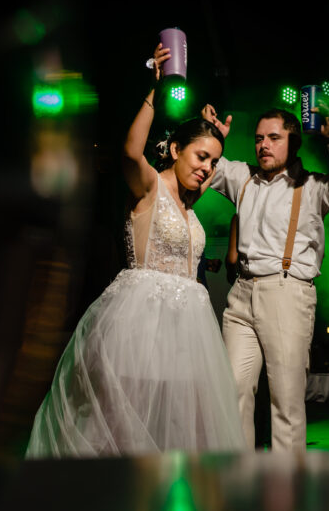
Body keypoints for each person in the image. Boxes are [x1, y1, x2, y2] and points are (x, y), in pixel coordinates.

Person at [26, 45, 244, 457]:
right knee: (124, 424)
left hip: (188, 328)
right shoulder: (148, 186)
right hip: (141, 321)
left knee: (181, 426)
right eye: (201, 157)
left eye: (214, 163)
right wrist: (153, 92)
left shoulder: (190, 206)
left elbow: (202, 173)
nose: (207, 168)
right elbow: (129, 151)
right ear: (176, 150)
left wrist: (214, 140)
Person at [201, 103, 329, 451]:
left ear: (292, 143)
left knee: (286, 402)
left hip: (287, 295)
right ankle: (242, 484)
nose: (263, 144)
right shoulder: (242, 177)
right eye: (259, 138)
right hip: (242, 295)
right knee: (232, 394)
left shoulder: (312, 186)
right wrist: (211, 136)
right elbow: (202, 166)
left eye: (274, 138)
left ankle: (287, 492)